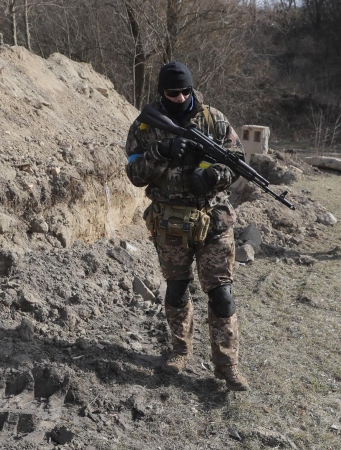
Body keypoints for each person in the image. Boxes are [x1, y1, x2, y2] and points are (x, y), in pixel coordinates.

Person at [124, 61, 249, 391]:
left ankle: (227, 365)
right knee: (176, 290)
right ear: (161, 93)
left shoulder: (214, 119)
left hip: (213, 219)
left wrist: (211, 176)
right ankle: (180, 352)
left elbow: (237, 162)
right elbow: (135, 175)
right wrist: (161, 152)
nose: (179, 98)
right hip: (171, 223)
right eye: (171, 92)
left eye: (184, 91)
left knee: (221, 294)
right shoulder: (144, 128)